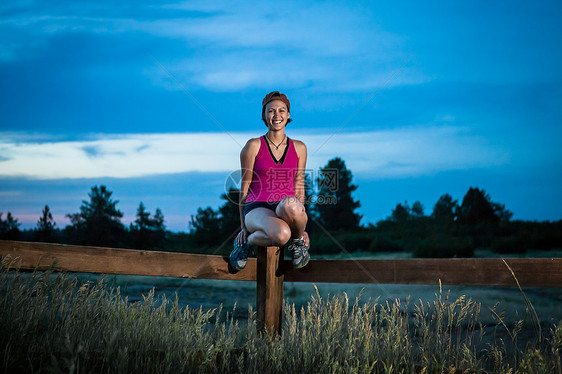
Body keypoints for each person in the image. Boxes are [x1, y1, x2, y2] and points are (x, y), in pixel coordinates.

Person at [229, 91, 310, 271]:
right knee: (282, 235)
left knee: (292, 204)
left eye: (281, 111)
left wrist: (301, 228)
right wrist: (243, 228)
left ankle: (298, 244)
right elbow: (244, 188)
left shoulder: (300, 147)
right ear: (264, 115)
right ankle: (247, 244)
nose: (276, 115)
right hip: (257, 208)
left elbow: (299, 186)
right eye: (271, 111)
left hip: (285, 209)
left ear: (288, 115)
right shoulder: (253, 146)